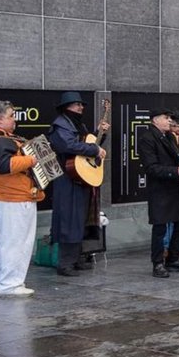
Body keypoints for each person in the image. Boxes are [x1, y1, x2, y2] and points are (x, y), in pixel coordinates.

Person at [0, 100, 43, 297]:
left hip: (5, 196)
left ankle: (6, 282)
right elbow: (4, 165)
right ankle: (10, 284)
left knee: (6, 241)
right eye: (11, 116)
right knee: (16, 242)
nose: (14, 120)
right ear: (0, 118)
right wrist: (31, 160)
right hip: (13, 198)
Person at [47, 92, 108, 276]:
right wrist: (95, 148)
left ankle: (77, 258)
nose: (81, 108)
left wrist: (99, 135)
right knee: (69, 221)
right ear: (67, 107)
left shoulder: (76, 124)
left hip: (80, 178)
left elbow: (86, 145)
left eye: (81, 105)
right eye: (76, 105)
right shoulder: (60, 126)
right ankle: (65, 263)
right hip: (67, 179)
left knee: (80, 219)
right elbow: (69, 146)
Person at [139, 108, 179, 278]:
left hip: (177, 188)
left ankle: (173, 260)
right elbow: (151, 167)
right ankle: (157, 264)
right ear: (155, 120)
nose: (170, 121)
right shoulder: (147, 138)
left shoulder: (169, 136)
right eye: (166, 118)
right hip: (161, 190)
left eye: (170, 118)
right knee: (160, 228)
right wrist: (175, 170)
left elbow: (176, 157)